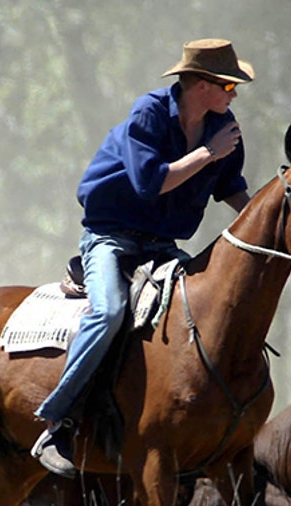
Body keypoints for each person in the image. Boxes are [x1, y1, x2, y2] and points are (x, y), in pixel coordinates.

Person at [31, 39, 255, 476]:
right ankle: (56, 423)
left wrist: (262, 221)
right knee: (111, 310)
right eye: (228, 85)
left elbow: (230, 189)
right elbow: (151, 183)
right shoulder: (150, 114)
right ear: (201, 84)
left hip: (162, 245)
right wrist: (208, 153)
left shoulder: (223, 126)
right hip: (110, 238)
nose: (233, 95)